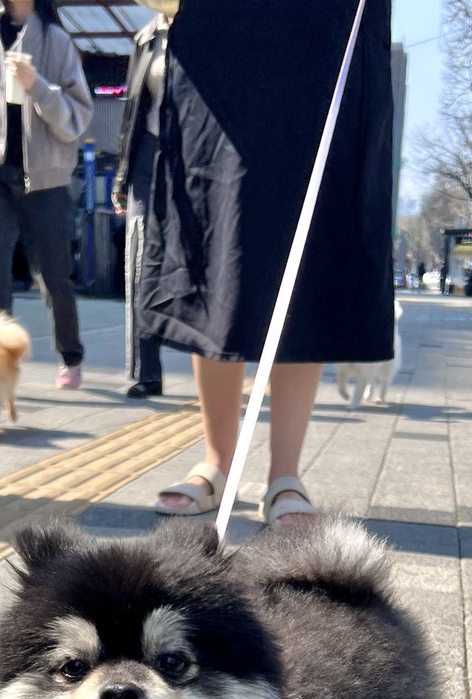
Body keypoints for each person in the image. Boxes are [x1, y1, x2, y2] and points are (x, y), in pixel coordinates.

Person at [138, 0, 394, 526]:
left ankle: (285, 472)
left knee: (310, 249)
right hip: (219, 47)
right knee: (216, 242)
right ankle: (217, 460)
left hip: (325, 43)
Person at [0, 0, 93, 389]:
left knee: (53, 277)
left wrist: (38, 86)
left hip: (47, 182)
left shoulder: (58, 42)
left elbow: (77, 119)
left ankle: (71, 356)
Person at [111, 13, 169, 400]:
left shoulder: (213, 27)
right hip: (148, 154)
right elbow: (132, 109)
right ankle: (145, 371)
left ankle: (218, 367)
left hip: (199, 157)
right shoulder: (146, 36)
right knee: (140, 261)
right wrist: (122, 175)